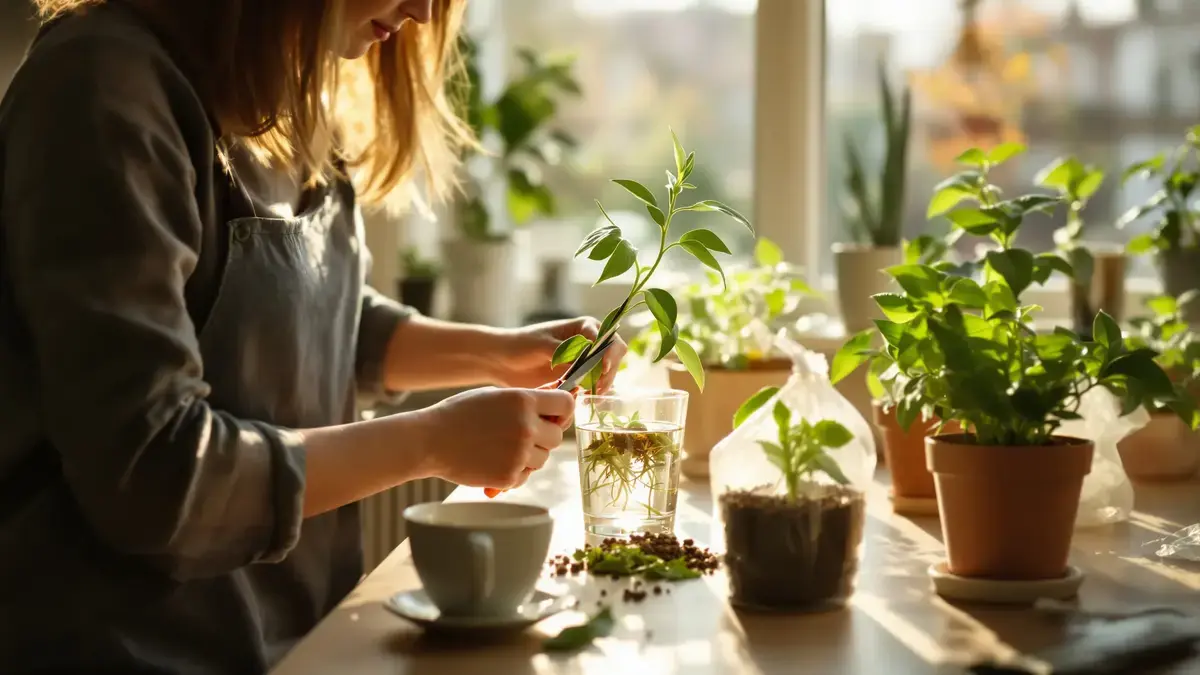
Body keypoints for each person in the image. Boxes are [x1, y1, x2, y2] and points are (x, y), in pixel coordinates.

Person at [0, 0, 626, 672]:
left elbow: (315, 318)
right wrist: (432, 441)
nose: (421, 11)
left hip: (299, 640)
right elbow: (156, 476)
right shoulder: (104, 87)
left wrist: (500, 353)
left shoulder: (291, 99)